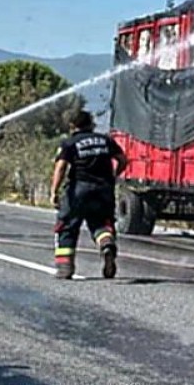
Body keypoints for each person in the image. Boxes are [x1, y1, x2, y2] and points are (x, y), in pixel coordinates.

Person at [50, 110, 127, 279]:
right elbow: (122, 159)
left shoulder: (69, 143)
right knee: (102, 223)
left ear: (72, 126)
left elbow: (61, 167)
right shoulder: (105, 140)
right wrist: (113, 176)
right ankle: (106, 243)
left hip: (79, 189)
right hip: (104, 189)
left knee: (67, 226)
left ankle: (65, 267)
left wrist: (54, 191)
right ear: (91, 123)